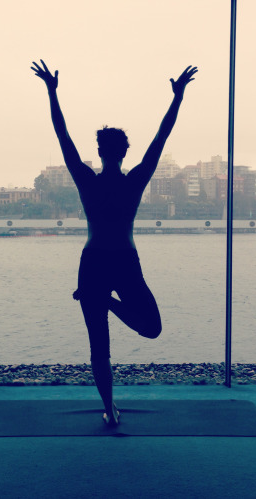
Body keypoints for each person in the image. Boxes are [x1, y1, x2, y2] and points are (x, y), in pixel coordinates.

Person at [31, 60, 198, 425]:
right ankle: (109, 405)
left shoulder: (87, 181)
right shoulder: (134, 179)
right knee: (150, 327)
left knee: (98, 347)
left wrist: (52, 92)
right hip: (124, 260)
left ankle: (109, 409)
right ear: (123, 153)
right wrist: (178, 97)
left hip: (93, 264)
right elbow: (160, 138)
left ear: (102, 151)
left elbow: (63, 139)